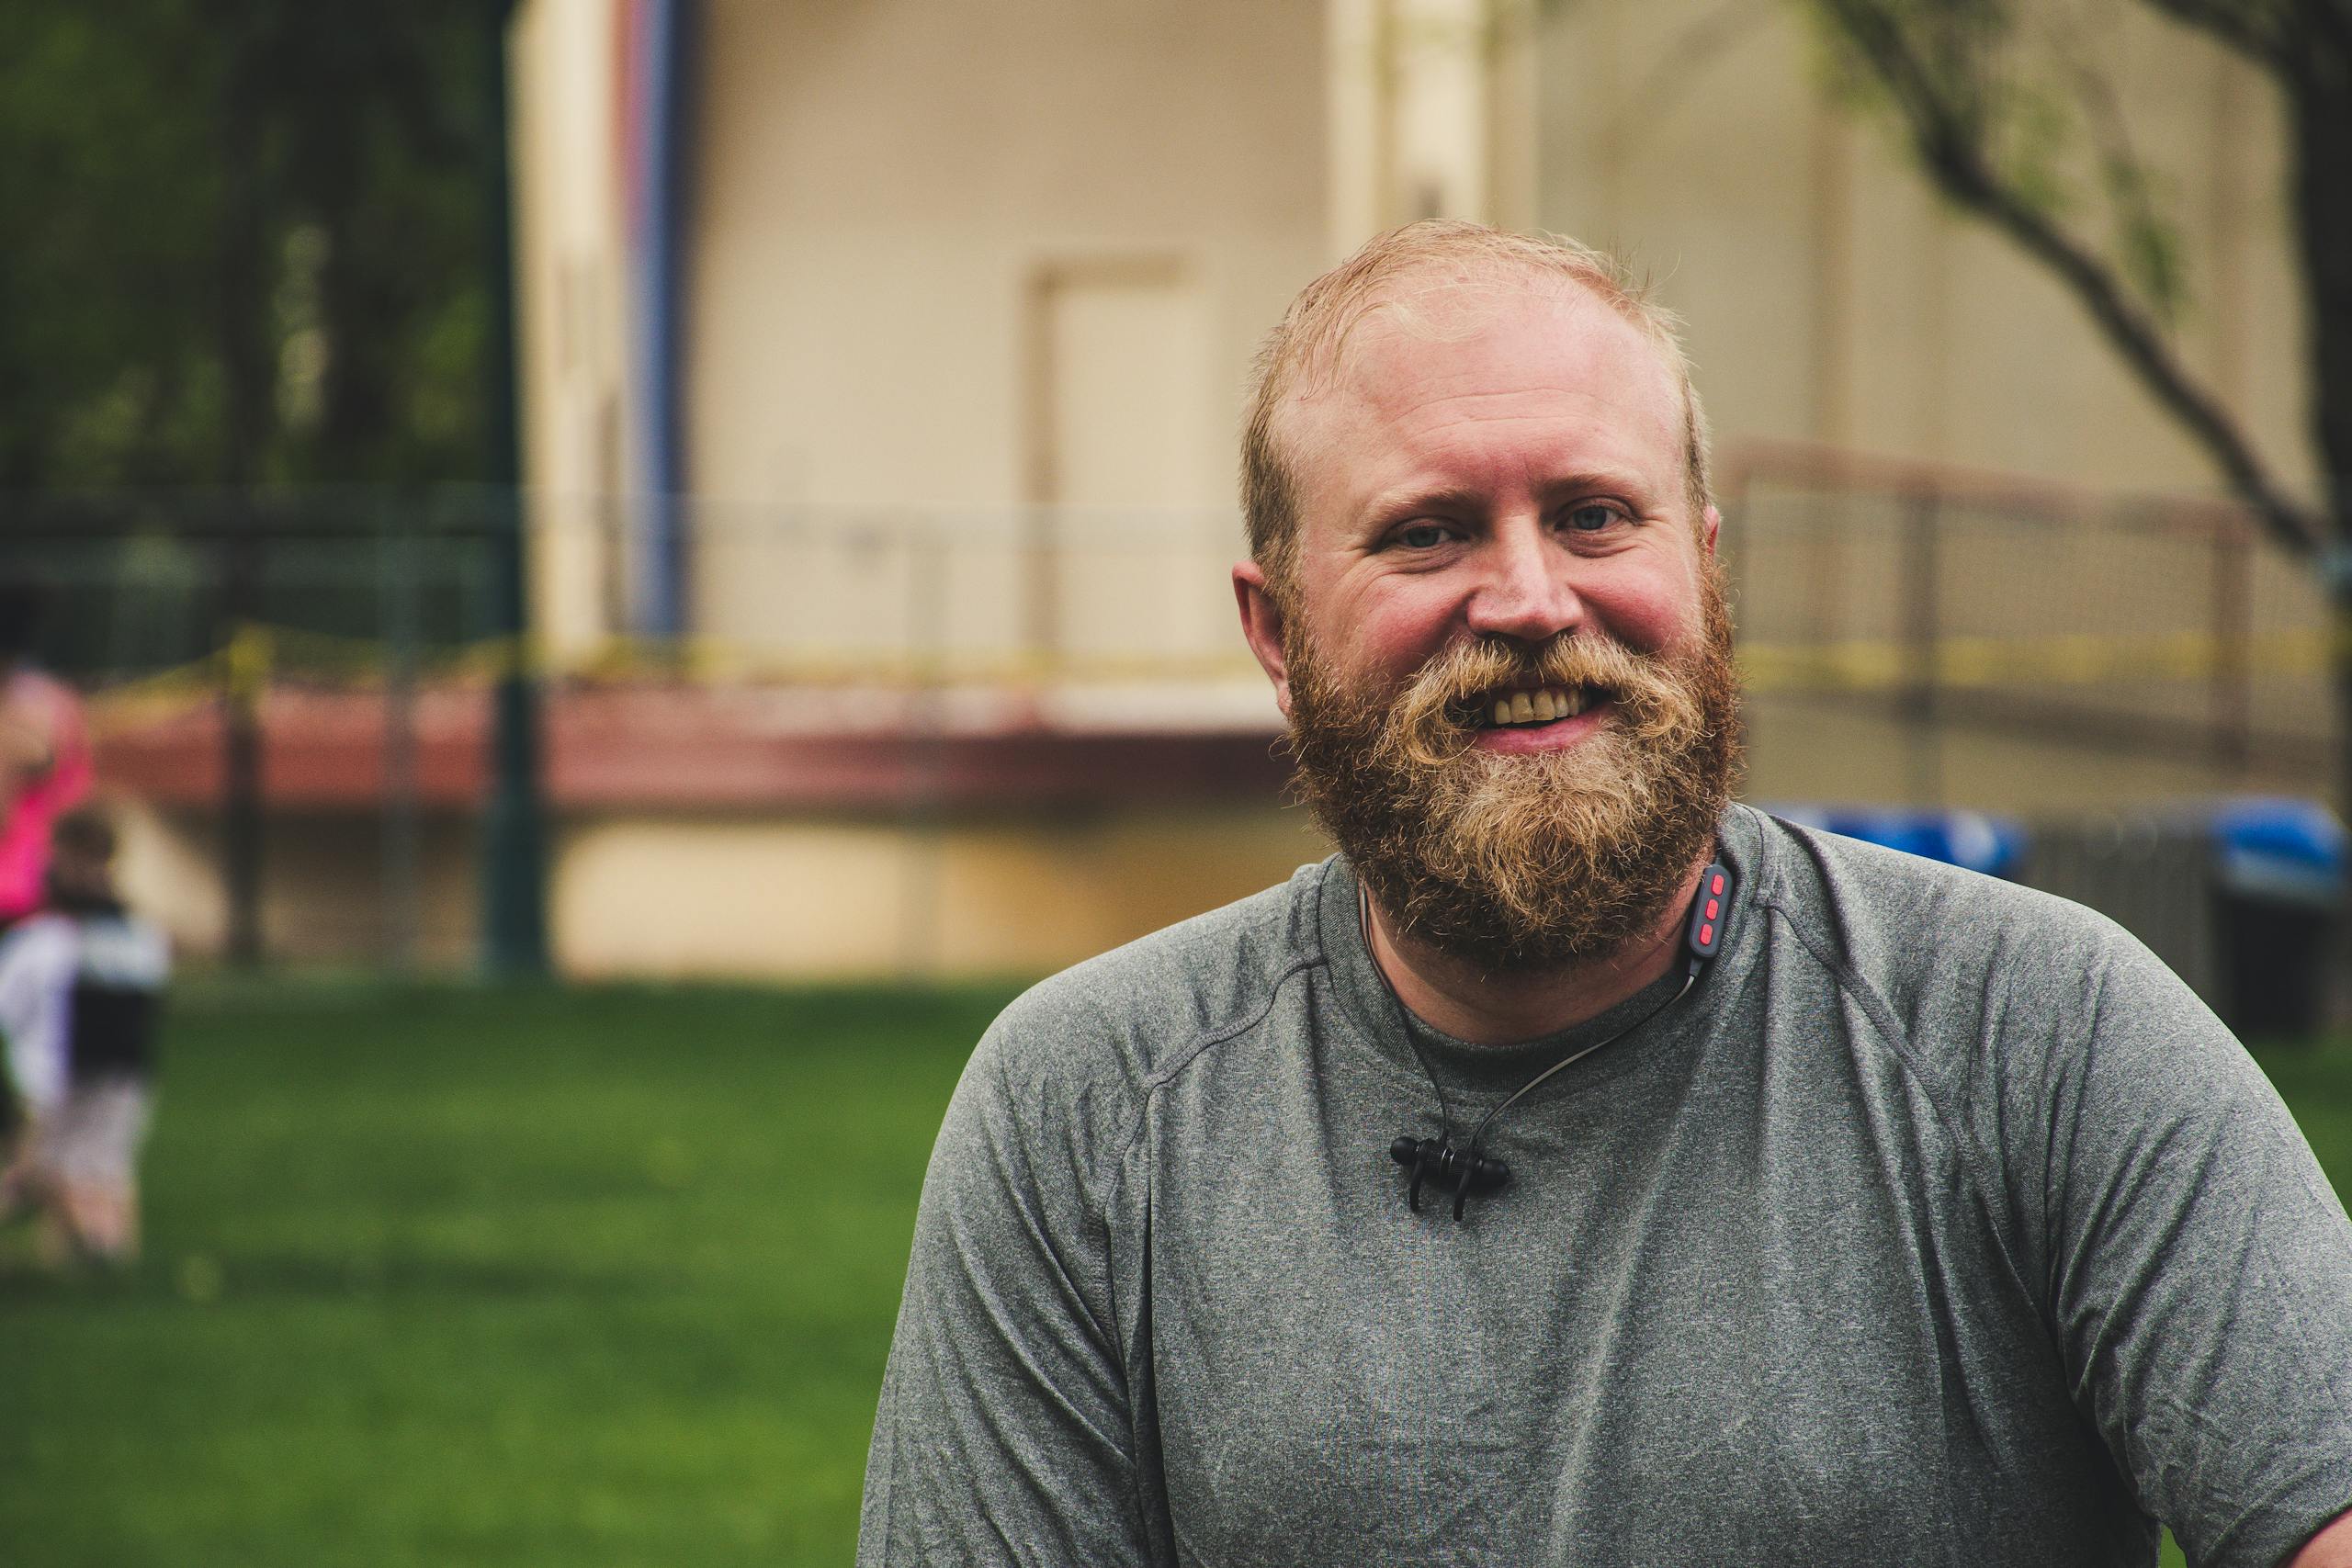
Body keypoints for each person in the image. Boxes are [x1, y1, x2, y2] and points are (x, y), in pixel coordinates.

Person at [856, 222, 2352, 1567]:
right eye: (1427, 529)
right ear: (1276, 627)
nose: (1528, 599)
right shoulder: (1089, 1114)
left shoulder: (2041, 1035)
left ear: (1703, 573)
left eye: (1592, 514)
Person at [0, 808, 169, 1266]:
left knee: (59, 1170)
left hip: (84, 1075)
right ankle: (86, 1265)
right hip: (101, 1073)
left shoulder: (70, 937)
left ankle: (101, 1252)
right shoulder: (125, 933)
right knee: (89, 1168)